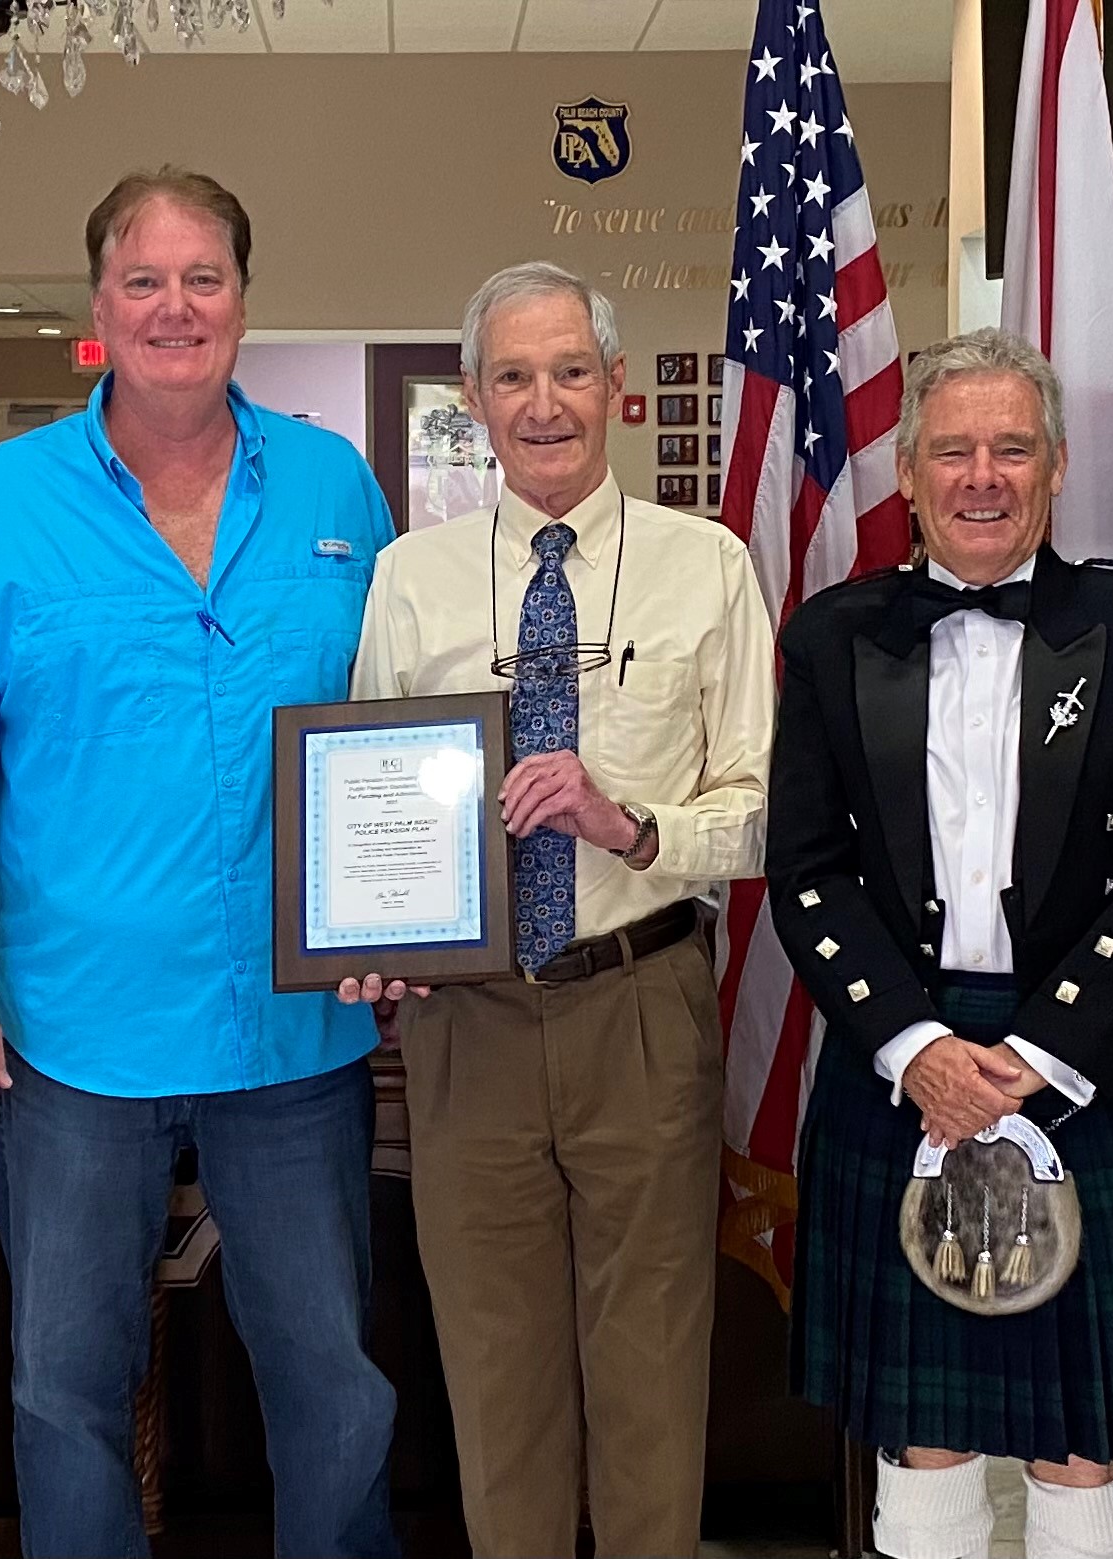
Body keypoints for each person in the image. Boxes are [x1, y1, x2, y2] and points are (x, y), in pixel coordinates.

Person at [0, 167, 400, 1559]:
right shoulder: (1, 503)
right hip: (76, 1038)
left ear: (243, 298)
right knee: (62, 1384)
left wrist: (409, 904)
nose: (177, 307)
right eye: (145, 280)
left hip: (297, 1029)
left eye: (204, 278)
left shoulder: (333, 482)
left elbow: (396, 726)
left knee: (334, 1380)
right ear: (96, 307)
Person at [767, 328, 1113, 1559]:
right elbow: (810, 874)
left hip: (1093, 1067)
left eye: (1011, 449)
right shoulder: (832, 637)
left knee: (1077, 1432)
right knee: (921, 1427)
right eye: (953, 451)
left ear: (1056, 465)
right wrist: (917, 1047)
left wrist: (1036, 1054)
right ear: (909, 477)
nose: (983, 475)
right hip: (898, 1062)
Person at [333, 260, 773, 1558]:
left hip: (639, 1003)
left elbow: (759, 812)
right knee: (494, 1373)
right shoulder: (410, 577)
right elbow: (365, 790)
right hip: (463, 1027)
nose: (543, 401)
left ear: (616, 387)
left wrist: (626, 821)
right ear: (472, 398)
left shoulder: (708, 567)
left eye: (569, 370)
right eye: (513, 375)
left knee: (649, 1374)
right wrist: (371, 932)